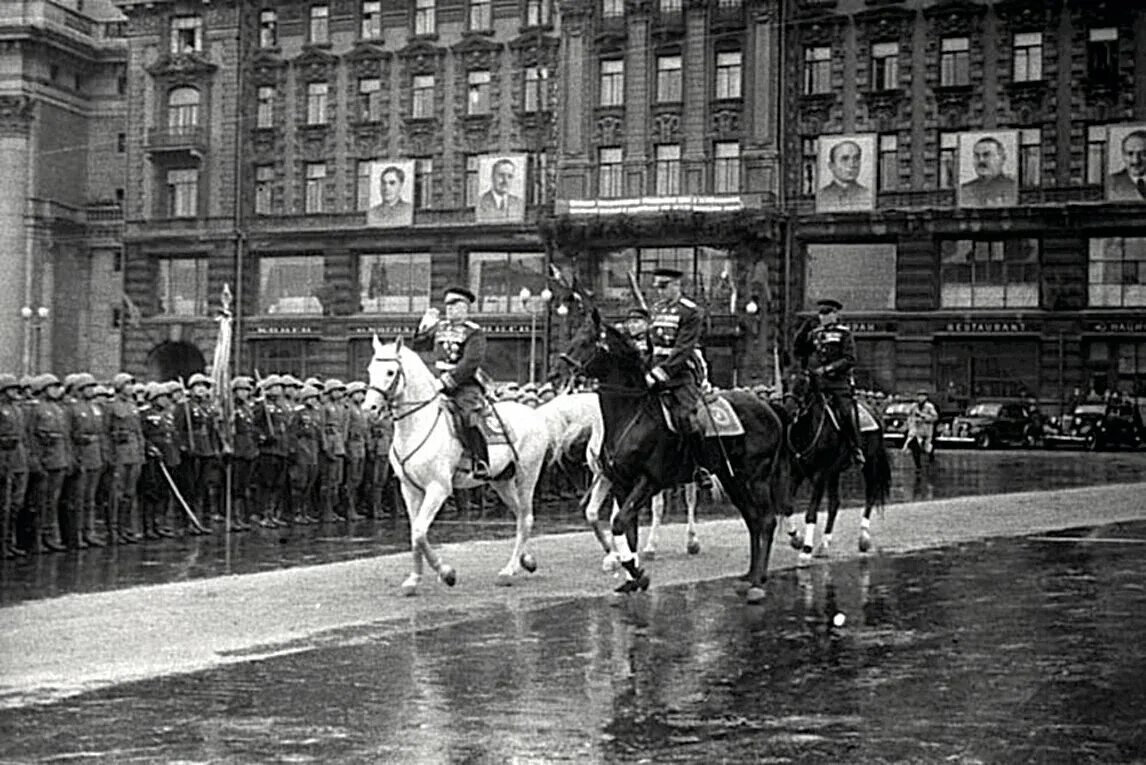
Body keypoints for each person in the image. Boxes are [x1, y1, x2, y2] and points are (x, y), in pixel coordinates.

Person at [412, 286, 494, 479]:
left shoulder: (474, 332)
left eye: (455, 305)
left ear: (466, 308)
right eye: (447, 305)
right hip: (437, 382)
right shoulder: (439, 328)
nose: (449, 309)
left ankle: (479, 460)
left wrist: (447, 382)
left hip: (465, 384)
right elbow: (419, 348)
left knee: (468, 417)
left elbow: (470, 362)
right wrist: (423, 327)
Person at [793, 297, 865, 466]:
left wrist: (828, 369)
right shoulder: (815, 334)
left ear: (835, 314)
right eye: (821, 313)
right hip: (817, 386)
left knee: (846, 414)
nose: (823, 316)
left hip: (838, 385)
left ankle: (855, 448)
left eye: (827, 313)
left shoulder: (844, 334)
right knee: (797, 409)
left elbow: (849, 359)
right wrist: (803, 331)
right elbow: (799, 350)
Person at [646, 267, 705, 447]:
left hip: (679, 375)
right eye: (658, 287)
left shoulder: (690, 311)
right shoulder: (656, 309)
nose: (660, 291)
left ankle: (700, 466)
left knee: (688, 420)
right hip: (654, 375)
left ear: (677, 285)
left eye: (664, 287)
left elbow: (682, 349)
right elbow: (652, 346)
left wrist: (659, 374)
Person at [960, 136, 1017, 207]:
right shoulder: (963, 191)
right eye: (977, 156)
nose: (981, 160)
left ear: (1002, 158)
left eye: (986, 155)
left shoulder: (1014, 188)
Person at [817, 139, 870, 210]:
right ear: (831, 166)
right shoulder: (822, 195)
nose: (852, 164)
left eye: (856, 158)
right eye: (845, 159)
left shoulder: (867, 194)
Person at [1107, 129, 1146, 201]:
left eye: (1143, 154)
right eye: (1130, 154)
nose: (1136, 160)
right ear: (1123, 156)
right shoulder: (1110, 183)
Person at [905, 389, 938, 468]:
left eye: (923, 396)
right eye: (919, 396)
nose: (921, 398)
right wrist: (911, 423)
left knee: (928, 447)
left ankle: (931, 460)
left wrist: (924, 417)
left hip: (927, 430)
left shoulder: (929, 406)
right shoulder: (914, 406)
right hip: (916, 430)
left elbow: (935, 417)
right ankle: (918, 464)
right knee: (915, 447)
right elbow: (909, 416)